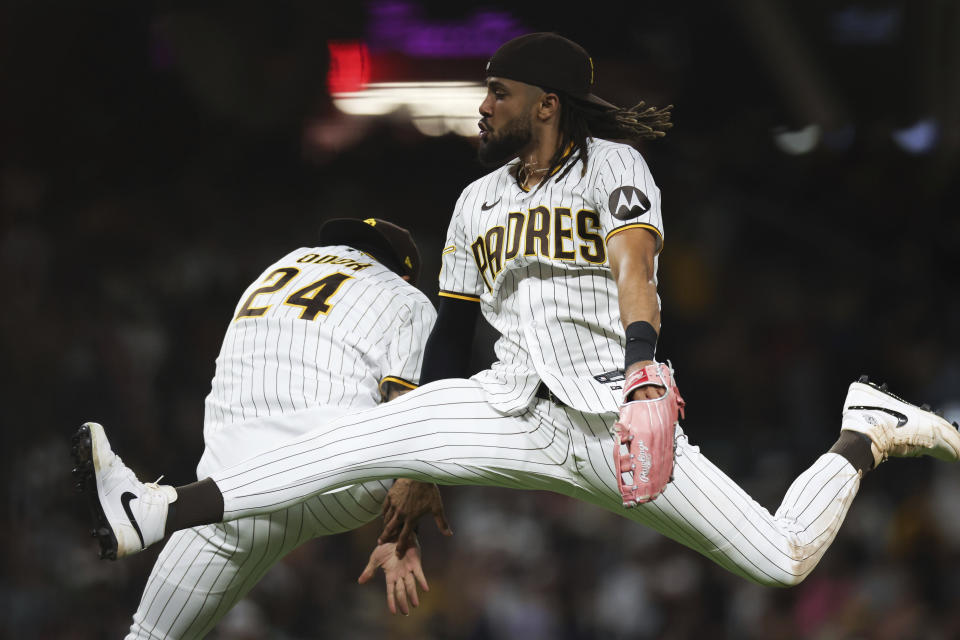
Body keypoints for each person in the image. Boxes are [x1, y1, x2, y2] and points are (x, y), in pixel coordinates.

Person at [73, 32, 960, 598]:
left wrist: (647, 367)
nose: (483, 104)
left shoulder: (612, 165)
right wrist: (420, 465)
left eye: (499, 92)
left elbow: (634, 267)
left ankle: (866, 428)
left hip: (619, 418)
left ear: (547, 104)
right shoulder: (472, 203)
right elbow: (453, 336)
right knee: (341, 447)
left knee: (780, 560)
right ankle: (156, 509)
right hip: (509, 408)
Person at [74, 217, 449, 639]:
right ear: (402, 270)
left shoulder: (276, 270)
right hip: (339, 481)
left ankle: (158, 506)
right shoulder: (406, 295)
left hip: (231, 487)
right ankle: (153, 508)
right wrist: (403, 532)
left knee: (149, 635)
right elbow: (406, 412)